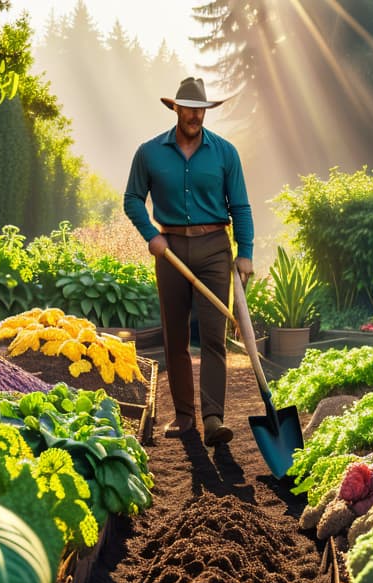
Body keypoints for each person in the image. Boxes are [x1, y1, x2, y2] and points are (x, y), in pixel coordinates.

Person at [123, 76, 254, 447]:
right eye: (188, 108)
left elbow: (240, 205)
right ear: (175, 108)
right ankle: (184, 417)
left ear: (205, 112)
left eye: (201, 109)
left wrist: (245, 252)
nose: (195, 115)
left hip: (215, 248)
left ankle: (213, 418)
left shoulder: (225, 153)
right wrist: (152, 235)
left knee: (213, 336)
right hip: (171, 251)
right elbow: (132, 199)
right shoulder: (149, 153)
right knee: (175, 337)